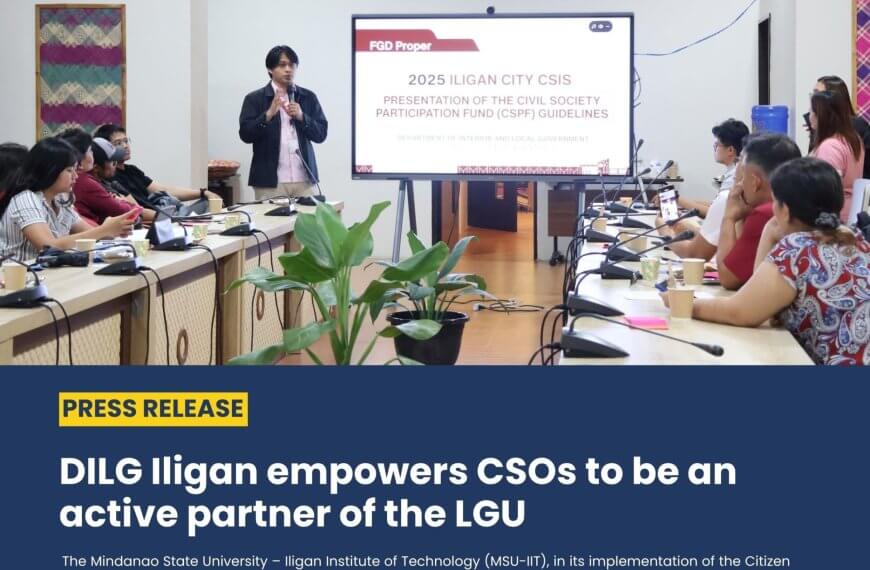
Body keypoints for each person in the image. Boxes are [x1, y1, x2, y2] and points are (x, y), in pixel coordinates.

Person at [682, 157, 868, 366]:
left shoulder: (797, 248)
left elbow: (741, 312)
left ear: (785, 210)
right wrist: (770, 231)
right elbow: (764, 305)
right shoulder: (857, 241)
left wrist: (684, 304)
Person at [0, 137, 134, 261]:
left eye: (76, 169)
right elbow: (48, 247)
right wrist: (104, 230)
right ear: (50, 170)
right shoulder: (25, 198)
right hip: (19, 281)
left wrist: (116, 227)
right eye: (70, 170)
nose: (76, 176)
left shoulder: (60, 199)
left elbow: (90, 234)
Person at [239, 45, 328, 200]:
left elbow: (321, 134)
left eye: (292, 65)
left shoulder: (307, 97)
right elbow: (245, 134)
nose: (288, 69)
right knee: (271, 223)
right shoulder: (255, 99)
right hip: (270, 182)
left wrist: (302, 116)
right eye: (282, 65)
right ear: (270, 69)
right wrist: (268, 115)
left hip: (303, 180)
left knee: (307, 224)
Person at [655, 119, 749, 261]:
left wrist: (664, 230)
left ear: (731, 150)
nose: (714, 149)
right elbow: (716, 206)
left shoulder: (737, 177)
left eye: (716, 145)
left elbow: (695, 255)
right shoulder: (733, 174)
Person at [93, 123, 222, 210]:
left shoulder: (132, 170)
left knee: (209, 201)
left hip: (164, 214)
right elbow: (135, 211)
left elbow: (163, 189)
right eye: (118, 143)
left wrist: (202, 192)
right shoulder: (108, 176)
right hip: (151, 220)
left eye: (126, 141)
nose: (125, 146)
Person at [808, 90, 865, 220]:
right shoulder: (853, 139)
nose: (809, 116)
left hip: (833, 217)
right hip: (850, 210)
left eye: (811, 111)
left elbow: (828, 191)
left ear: (820, 115)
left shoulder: (830, 147)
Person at [73, 137, 151, 226]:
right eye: (112, 162)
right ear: (96, 168)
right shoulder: (87, 183)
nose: (116, 164)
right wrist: (125, 204)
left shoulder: (103, 182)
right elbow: (127, 212)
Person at [807, 75, 870, 178]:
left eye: (817, 93)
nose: (814, 97)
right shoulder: (847, 138)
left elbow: (826, 187)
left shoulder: (831, 146)